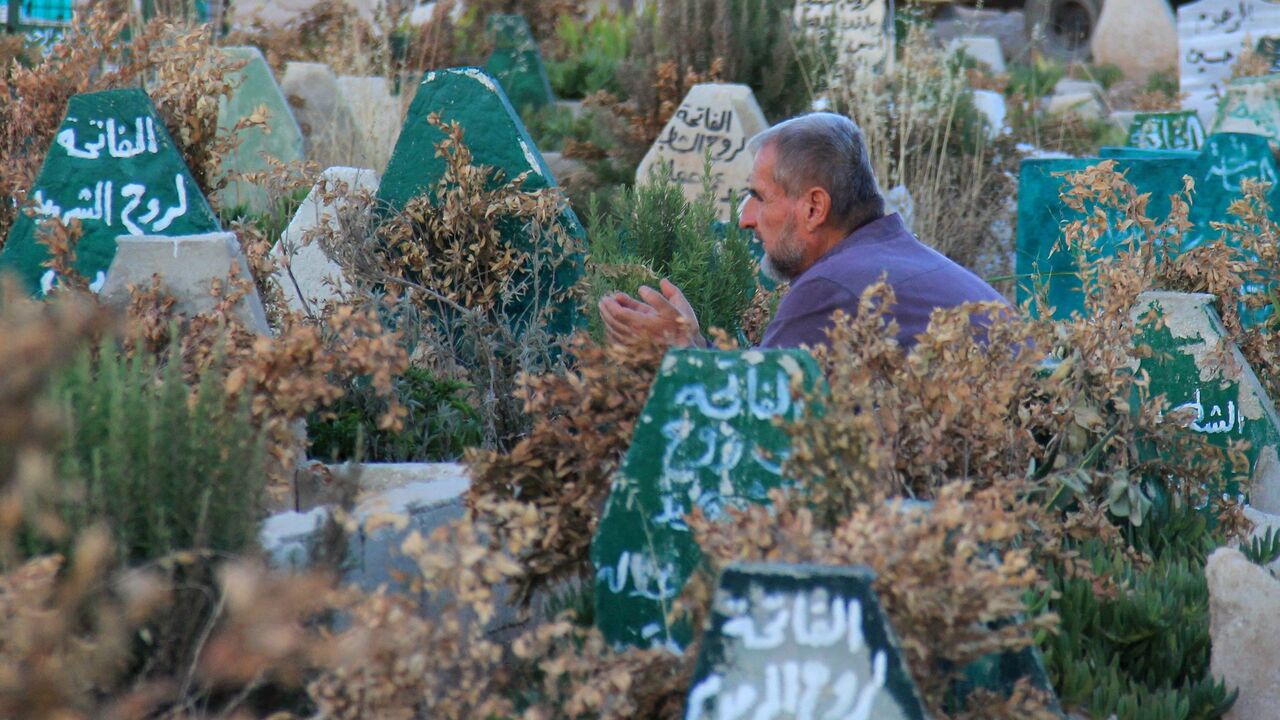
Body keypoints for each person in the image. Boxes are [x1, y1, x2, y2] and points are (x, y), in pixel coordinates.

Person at [597, 112, 1006, 351]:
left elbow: (756, 419)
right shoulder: (893, 259)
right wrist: (696, 344)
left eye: (759, 197)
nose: (745, 219)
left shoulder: (833, 287)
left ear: (813, 208)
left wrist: (681, 351)